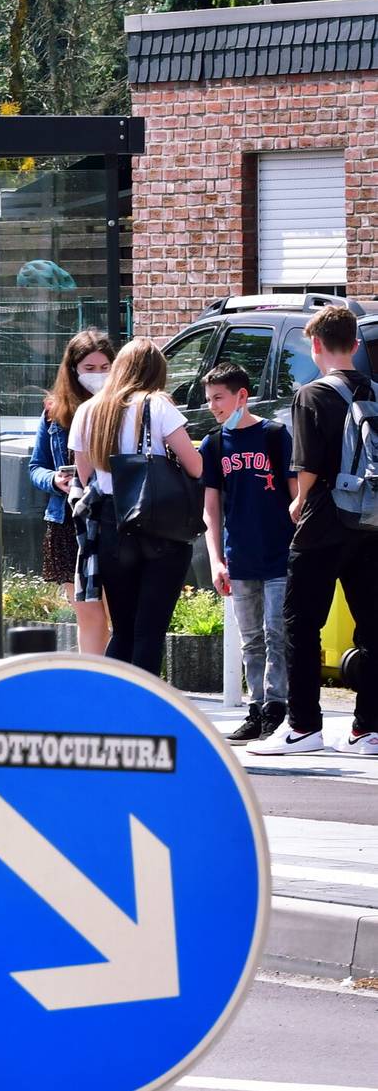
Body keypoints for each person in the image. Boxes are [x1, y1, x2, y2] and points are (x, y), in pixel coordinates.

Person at [253, 306, 378, 756]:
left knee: (300, 623)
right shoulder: (376, 391)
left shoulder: (311, 395)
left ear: (316, 345)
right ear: (357, 344)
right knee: (373, 625)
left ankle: (304, 725)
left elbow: (305, 465)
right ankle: (368, 728)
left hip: (325, 521)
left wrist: (298, 500)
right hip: (371, 521)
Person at [70, 339, 204, 676]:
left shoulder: (90, 410)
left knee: (124, 629)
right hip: (159, 525)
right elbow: (195, 466)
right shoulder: (157, 405)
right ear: (157, 372)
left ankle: (113, 707)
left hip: (111, 525)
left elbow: (84, 475)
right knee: (150, 631)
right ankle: (144, 714)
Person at [199, 361, 293, 744]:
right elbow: (211, 508)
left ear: (242, 396)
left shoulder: (274, 435)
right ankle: (257, 709)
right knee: (251, 637)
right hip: (240, 557)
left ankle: (278, 708)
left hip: (278, 554)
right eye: (208, 399)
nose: (213, 406)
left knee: (276, 632)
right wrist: (216, 558)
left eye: (219, 398)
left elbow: (293, 494)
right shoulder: (215, 444)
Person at [29, 330, 115, 654]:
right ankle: (94, 684)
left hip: (112, 516)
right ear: (73, 369)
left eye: (104, 367)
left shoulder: (120, 408)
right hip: (68, 521)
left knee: (116, 610)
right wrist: (55, 481)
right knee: (88, 613)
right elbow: (35, 466)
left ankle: (118, 682)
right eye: (89, 368)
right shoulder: (54, 411)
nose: (97, 375)